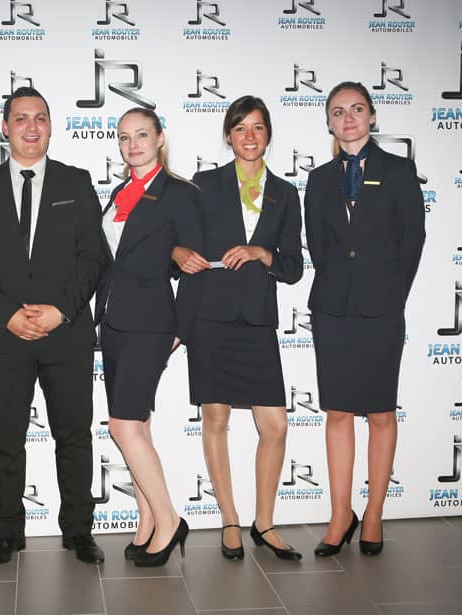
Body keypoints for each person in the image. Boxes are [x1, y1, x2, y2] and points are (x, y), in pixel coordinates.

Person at [0, 86, 107, 565]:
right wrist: (7, 314)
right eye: (21, 118)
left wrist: (61, 310)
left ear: (51, 126)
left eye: (40, 117)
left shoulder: (77, 182)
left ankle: (78, 531)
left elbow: (94, 257)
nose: (31, 127)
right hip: (5, 337)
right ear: (5, 127)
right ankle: (6, 533)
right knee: (5, 441)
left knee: (74, 437)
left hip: (67, 333)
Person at [174, 95, 303, 561]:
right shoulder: (204, 185)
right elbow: (176, 242)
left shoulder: (285, 193)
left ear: (268, 135)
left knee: (275, 425)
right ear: (228, 136)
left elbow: (293, 266)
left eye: (258, 127)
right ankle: (229, 518)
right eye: (241, 128)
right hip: (210, 317)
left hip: (257, 320)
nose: (250, 136)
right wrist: (176, 256)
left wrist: (261, 253)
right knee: (216, 419)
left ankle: (264, 523)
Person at [304, 82, 425, 557]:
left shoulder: (399, 171)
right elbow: (319, 245)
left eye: (357, 109)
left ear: (372, 116)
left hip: (381, 310)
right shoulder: (318, 180)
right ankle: (341, 515)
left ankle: (373, 514)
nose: (348, 118)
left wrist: (390, 294)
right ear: (328, 122)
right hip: (332, 309)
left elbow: (412, 241)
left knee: (379, 413)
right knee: (337, 413)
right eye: (338, 111)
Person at [94, 107, 201, 566]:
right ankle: (147, 521)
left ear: (159, 138)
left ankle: (170, 520)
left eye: (141, 135)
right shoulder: (119, 193)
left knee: (122, 425)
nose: (133, 144)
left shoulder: (180, 193)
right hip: (114, 321)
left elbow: (197, 266)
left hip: (152, 322)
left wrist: (183, 327)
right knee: (137, 426)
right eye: (124, 137)